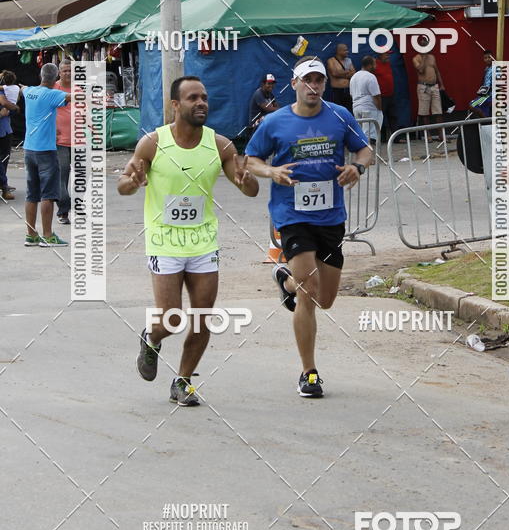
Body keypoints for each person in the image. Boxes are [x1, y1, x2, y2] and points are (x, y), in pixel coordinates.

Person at [117, 75, 259, 406]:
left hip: (203, 242)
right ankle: (152, 339)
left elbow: (249, 190)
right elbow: (124, 184)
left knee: (201, 317)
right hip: (164, 241)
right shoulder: (153, 143)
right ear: (175, 105)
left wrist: (246, 180)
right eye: (193, 98)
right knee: (172, 318)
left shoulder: (220, 145)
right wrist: (133, 181)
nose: (201, 103)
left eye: (204, 97)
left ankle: (182, 382)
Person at [245, 56, 371, 398]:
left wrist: (356, 169)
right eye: (308, 81)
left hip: (330, 217)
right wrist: (271, 172)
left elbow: (365, 151)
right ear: (295, 84)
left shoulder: (340, 117)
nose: (314, 86)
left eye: (319, 81)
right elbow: (251, 159)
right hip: (292, 216)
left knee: (325, 299)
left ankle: (283, 278)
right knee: (307, 291)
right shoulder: (275, 122)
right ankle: (309, 373)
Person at [22, 63, 71, 247]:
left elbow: (24, 89)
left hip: (29, 150)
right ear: (56, 77)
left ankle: (31, 235)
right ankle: (48, 235)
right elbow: (72, 97)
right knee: (47, 195)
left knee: (31, 194)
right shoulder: (52, 95)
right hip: (46, 151)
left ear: (41, 75)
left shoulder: (30, 92)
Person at [412, 36, 445, 136]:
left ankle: (441, 135)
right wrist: (424, 57)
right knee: (424, 112)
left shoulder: (432, 57)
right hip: (423, 87)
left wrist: (442, 84)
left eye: (426, 45)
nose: (426, 48)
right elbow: (421, 70)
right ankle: (428, 135)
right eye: (423, 46)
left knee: (438, 111)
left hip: (434, 86)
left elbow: (437, 71)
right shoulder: (416, 58)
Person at [54, 59, 72, 224]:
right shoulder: (53, 88)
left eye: (69, 70)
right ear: (59, 72)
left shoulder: (79, 88)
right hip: (60, 141)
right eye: (64, 70)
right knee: (62, 175)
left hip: (79, 139)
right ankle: (63, 211)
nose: (67, 73)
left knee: (82, 176)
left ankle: (79, 208)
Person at [349, 54, 383, 142]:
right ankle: (368, 153)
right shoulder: (370, 77)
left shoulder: (354, 77)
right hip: (369, 108)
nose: (375, 66)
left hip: (356, 107)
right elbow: (376, 95)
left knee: (360, 134)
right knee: (369, 136)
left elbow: (351, 94)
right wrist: (379, 109)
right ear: (369, 65)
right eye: (374, 64)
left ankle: (361, 152)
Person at [0, 71, 20, 201]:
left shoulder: (6, 91)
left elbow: (11, 107)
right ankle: (4, 186)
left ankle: (3, 185)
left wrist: (13, 108)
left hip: (6, 130)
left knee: (5, 159)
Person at [373, 50, 397, 141]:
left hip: (390, 94)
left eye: (388, 54)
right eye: (386, 54)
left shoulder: (388, 64)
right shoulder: (375, 64)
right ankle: (381, 138)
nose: (388, 56)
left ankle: (396, 138)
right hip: (381, 96)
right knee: (380, 117)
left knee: (393, 116)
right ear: (380, 55)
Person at [326, 43, 355, 111]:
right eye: (345, 50)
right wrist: (348, 72)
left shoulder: (348, 60)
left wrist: (341, 73)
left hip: (348, 91)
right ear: (339, 51)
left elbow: (353, 74)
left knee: (349, 111)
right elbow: (334, 73)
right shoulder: (331, 61)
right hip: (337, 91)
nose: (347, 52)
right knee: (337, 111)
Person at [469, 50, 494, 118]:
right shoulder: (486, 69)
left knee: (472, 105)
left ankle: (486, 120)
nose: (487, 59)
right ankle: (487, 121)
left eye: (489, 57)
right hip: (485, 94)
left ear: (493, 57)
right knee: (484, 110)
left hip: (490, 95)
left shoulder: (496, 68)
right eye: (485, 58)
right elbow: (485, 82)